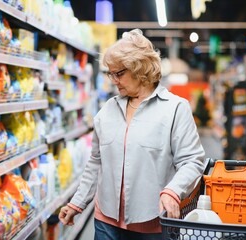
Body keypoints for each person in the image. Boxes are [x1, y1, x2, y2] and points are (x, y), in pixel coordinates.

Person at [58, 29, 206, 240]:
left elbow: (192, 161)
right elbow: (96, 163)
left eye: (119, 74)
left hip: (153, 224)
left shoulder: (175, 109)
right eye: (110, 73)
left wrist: (173, 191)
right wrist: (78, 202)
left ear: (141, 69)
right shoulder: (107, 110)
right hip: (106, 223)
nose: (113, 80)